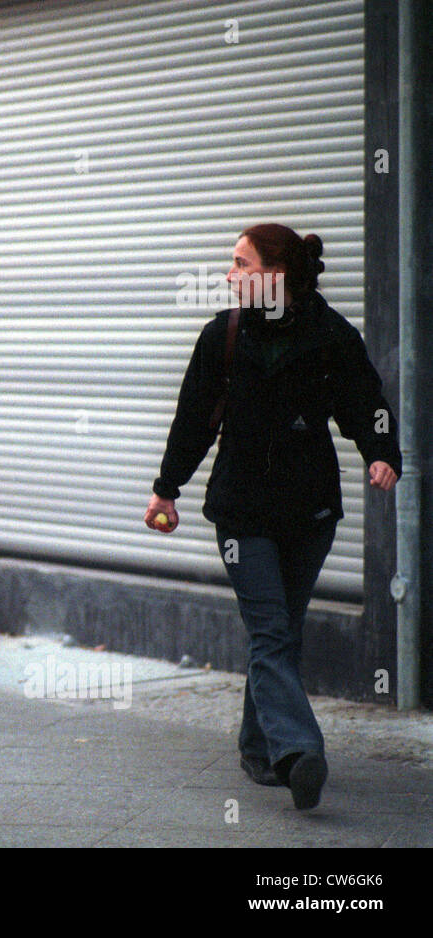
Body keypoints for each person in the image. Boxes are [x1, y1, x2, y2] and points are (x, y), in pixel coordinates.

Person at [146, 224, 400, 811]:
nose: (230, 275)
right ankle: (299, 751)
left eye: (241, 264)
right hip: (242, 511)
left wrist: (383, 452)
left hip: (311, 511)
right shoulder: (224, 336)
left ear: (276, 275)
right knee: (270, 630)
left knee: (282, 627)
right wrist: (167, 489)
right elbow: (194, 419)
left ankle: (258, 746)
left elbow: (367, 402)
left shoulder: (330, 335)